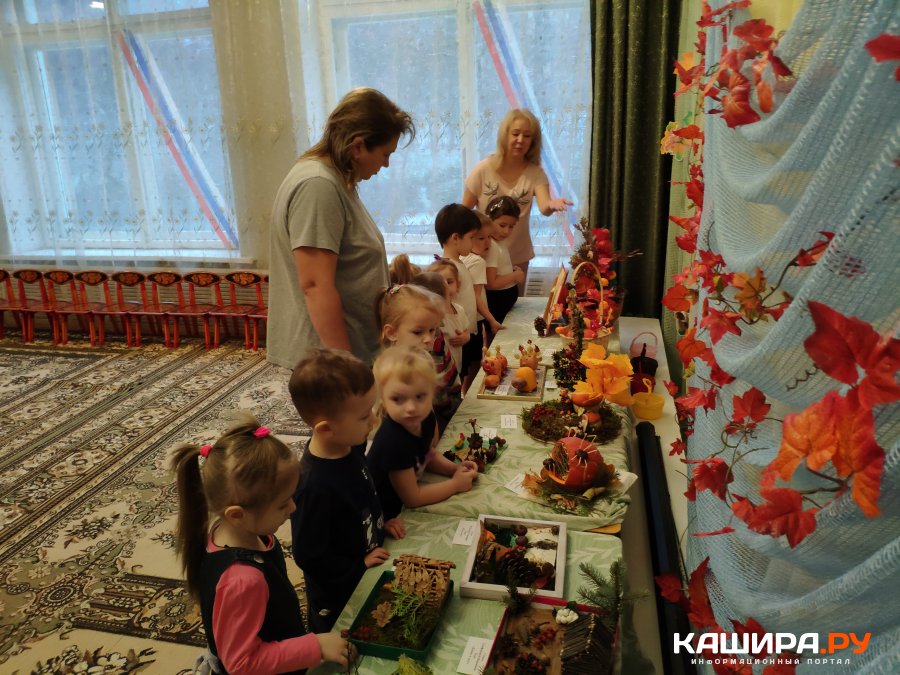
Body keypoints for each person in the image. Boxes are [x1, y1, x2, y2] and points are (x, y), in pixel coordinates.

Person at [169, 416, 352, 674]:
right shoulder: (242, 581)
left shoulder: (235, 531)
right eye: (282, 504)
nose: (293, 507)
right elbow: (242, 663)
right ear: (237, 514)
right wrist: (316, 646)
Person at [268, 88, 415, 368]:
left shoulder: (335, 180)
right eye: (385, 154)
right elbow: (315, 286)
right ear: (358, 146)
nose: (386, 164)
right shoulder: (318, 186)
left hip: (351, 350)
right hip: (331, 361)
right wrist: (346, 366)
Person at [288, 349, 396, 633]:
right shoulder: (312, 486)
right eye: (363, 416)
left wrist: (382, 522)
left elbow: (363, 495)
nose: (373, 421)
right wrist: (357, 566)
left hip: (370, 561)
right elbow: (309, 555)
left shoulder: (350, 445)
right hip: (339, 597)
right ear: (326, 429)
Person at [462, 108, 572, 295]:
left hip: (518, 254)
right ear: (505, 135)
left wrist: (552, 205)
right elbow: (463, 213)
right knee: (483, 304)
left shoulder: (536, 173)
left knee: (515, 302)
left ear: (533, 141)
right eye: (515, 133)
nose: (520, 140)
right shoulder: (483, 169)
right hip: (483, 252)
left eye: (527, 136)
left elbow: (544, 206)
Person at [366, 346, 477, 524]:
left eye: (420, 396)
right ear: (384, 400)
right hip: (387, 514)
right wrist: (455, 484)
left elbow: (427, 454)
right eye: (398, 399)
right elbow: (413, 498)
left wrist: (454, 469)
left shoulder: (425, 419)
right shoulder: (393, 441)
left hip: (408, 496)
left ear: (432, 392)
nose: (411, 408)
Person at [435, 204, 500, 391]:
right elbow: (445, 311)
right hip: (457, 338)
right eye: (471, 238)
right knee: (456, 377)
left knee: (465, 372)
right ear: (456, 238)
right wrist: (462, 333)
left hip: (465, 333)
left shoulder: (459, 263)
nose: (473, 244)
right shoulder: (447, 270)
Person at [483, 195, 525, 324]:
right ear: (489, 220)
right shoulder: (491, 246)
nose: (506, 231)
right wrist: (514, 276)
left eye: (511, 226)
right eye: (502, 225)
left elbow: (498, 269)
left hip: (504, 300)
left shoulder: (499, 242)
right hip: (498, 301)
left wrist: (510, 270)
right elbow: (491, 283)